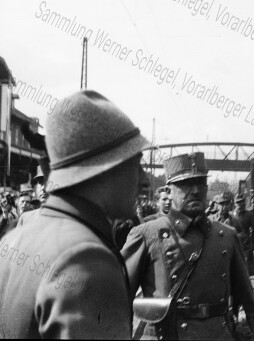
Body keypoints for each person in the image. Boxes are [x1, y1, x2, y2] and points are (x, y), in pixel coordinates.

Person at [0, 90, 150, 338]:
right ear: (104, 170)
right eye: (136, 165)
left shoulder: (12, 241)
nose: (144, 180)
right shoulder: (87, 260)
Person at [121, 152, 254, 340]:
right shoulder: (146, 235)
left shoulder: (227, 236)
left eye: (201, 183)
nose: (195, 190)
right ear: (169, 191)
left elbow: (248, 303)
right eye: (186, 184)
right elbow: (118, 301)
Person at [232, 194, 254, 276]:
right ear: (235, 204)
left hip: (246, 243)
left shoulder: (249, 215)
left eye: (241, 202)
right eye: (238, 202)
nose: (240, 204)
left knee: (246, 266)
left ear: (244, 203)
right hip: (234, 242)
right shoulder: (232, 215)